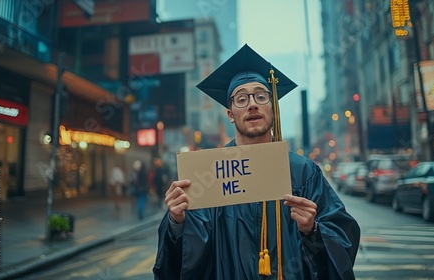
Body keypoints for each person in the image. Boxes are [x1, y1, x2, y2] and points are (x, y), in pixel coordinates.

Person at [153, 44, 361, 279]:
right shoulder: (210, 173)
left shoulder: (303, 173)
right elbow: (187, 258)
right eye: (241, 99)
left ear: (273, 107)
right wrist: (177, 222)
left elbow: (343, 237)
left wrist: (313, 230)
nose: (252, 104)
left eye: (261, 96)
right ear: (230, 114)